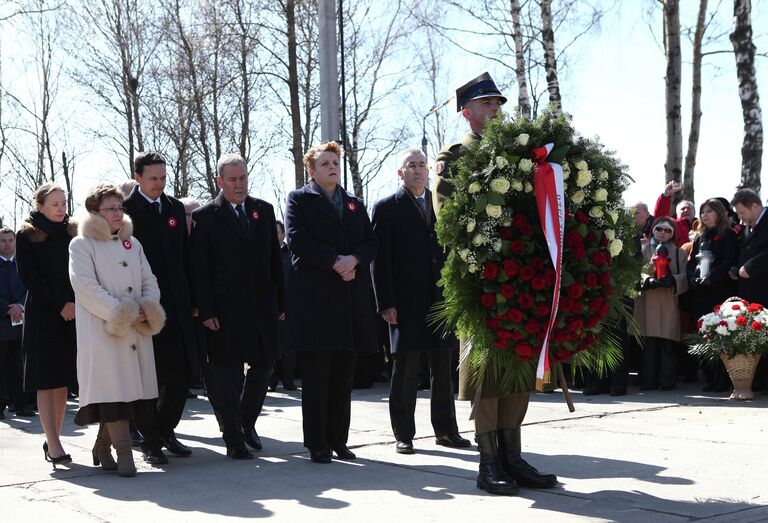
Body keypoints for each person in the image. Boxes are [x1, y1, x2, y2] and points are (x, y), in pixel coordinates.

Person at [433, 73, 556, 496]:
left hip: (522, 274)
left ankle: (512, 456)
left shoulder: (520, 152)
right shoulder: (455, 157)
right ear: (466, 112)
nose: (495, 109)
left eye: (497, 102)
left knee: (518, 363)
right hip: (483, 279)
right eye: (486, 103)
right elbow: (449, 216)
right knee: (487, 372)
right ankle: (488, 463)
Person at [284, 141, 378, 464]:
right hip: (316, 301)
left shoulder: (353, 202)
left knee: (343, 374)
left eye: (334, 163)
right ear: (311, 170)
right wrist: (335, 261)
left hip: (349, 299)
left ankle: (339, 439)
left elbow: (369, 241)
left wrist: (354, 259)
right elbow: (298, 239)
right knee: (316, 376)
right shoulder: (299, 200)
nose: (331, 168)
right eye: (324, 164)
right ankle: (317, 443)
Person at [371, 147, 469, 455]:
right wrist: (386, 302)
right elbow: (380, 260)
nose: (417, 170)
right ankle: (404, 433)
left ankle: (446, 431)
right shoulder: (387, 208)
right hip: (405, 302)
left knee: (443, 369)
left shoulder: (441, 204)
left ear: (429, 171)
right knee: (406, 371)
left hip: (440, 300)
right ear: (400, 173)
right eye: (410, 165)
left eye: (421, 165)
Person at [190, 153, 284, 459]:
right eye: (232, 179)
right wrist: (206, 311)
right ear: (220, 181)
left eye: (243, 177)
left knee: (265, 364)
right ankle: (232, 437)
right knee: (227, 376)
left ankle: (245, 423)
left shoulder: (263, 211)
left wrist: (280, 300)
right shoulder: (206, 217)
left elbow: (274, 260)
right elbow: (199, 270)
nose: (239, 184)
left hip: (261, 307)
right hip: (224, 311)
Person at [69, 184, 165, 477]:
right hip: (103, 332)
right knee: (112, 392)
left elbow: (149, 279)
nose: (118, 213)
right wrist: (120, 312)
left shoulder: (132, 243)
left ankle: (102, 445)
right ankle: (124, 453)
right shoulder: (81, 245)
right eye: (111, 208)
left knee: (130, 393)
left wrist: (145, 308)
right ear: (94, 212)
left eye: (120, 208)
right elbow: (85, 286)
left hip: (134, 329)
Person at [123, 152, 199, 465]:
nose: (159, 184)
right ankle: (150, 440)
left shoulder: (173, 208)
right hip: (144, 306)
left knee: (181, 374)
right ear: (137, 177)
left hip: (177, 305)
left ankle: (167, 429)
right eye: (153, 178)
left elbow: (185, 257)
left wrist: (193, 299)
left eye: (163, 178)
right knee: (148, 378)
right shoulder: (126, 210)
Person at [16, 183, 78, 467]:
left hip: (72, 312)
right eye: (55, 204)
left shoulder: (72, 232)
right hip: (44, 313)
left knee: (62, 380)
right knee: (46, 379)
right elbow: (30, 277)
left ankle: (54, 437)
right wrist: (60, 304)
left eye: (64, 203)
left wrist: (74, 303)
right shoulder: (27, 234)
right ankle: (53, 442)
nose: (61, 208)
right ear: (40, 206)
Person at [687, 199, 737, 392]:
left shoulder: (728, 235)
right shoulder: (700, 238)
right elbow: (692, 264)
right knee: (705, 333)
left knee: (721, 334)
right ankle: (710, 375)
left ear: (719, 213)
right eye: (702, 212)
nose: (704, 215)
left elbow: (728, 261)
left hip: (719, 292)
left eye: (709, 211)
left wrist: (712, 277)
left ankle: (723, 378)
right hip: (702, 293)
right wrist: (692, 278)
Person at [634, 217, 689, 390]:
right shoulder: (644, 250)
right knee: (648, 345)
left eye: (667, 230)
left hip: (668, 302)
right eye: (659, 229)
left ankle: (666, 381)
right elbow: (635, 272)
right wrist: (647, 280)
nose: (663, 233)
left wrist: (672, 280)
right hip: (647, 302)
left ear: (672, 233)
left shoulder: (680, 253)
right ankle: (648, 381)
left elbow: (685, 277)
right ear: (653, 230)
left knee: (667, 344)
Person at [731, 188, 768, 391]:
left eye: (742, 212)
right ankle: (759, 381)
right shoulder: (749, 226)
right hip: (751, 292)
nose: (740, 217)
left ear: (754, 206)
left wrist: (751, 267)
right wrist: (737, 269)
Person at [0, 227, 33, 418]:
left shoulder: (23, 263)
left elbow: (30, 286)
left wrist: (20, 306)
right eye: (3, 240)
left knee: (22, 366)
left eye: (10, 240)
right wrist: (7, 308)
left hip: (21, 322)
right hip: (1, 323)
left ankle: (22, 404)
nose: (7, 244)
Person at [268, 221, 297, 392]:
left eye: (277, 231)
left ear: (283, 234)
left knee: (289, 348)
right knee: (272, 347)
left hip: (289, 308)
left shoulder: (291, 253)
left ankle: (288, 380)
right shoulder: (265, 252)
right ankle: (271, 381)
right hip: (271, 307)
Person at [654, 181, 695, 247]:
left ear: (694, 212)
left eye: (689, 208)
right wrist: (665, 196)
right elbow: (660, 218)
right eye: (683, 209)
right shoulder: (673, 224)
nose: (686, 210)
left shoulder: (701, 226)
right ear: (677, 213)